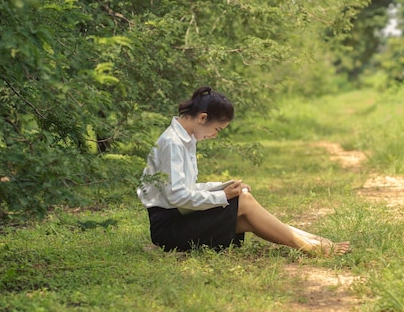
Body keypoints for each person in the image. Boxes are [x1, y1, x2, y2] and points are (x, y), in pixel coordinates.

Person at [137, 86, 350, 256]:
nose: (214, 135)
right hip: (169, 228)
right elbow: (176, 196)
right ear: (202, 118)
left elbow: (185, 188)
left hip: (180, 219)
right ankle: (311, 245)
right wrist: (222, 196)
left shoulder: (185, 139)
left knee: (247, 212)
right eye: (217, 129)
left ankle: (311, 240)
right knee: (244, 203)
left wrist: (224, 187)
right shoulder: (173, 142)